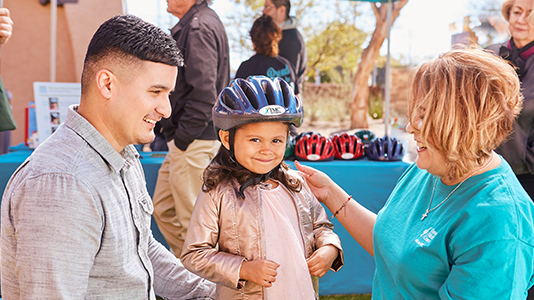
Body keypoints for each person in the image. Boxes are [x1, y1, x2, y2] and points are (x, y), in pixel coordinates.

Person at [0, 14, 215, 299]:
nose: (166, 110)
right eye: (155, 92)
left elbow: (142, 250)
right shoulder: (63, 183)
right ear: (107, 84)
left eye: (169, 94)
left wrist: (211, 293)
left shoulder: (123, 152)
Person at [295, 48, 534, 299]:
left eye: (423, 116)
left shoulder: (499, 226)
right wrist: (329, 192)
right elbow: (396, 245)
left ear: (463, 124)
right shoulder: (431, 168)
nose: (410, 127)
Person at [181, 76, 343, 299]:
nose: (267, 150)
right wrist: (243, 269)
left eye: (276, 140)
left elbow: (321, 226)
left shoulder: (297, 184)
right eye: (255, 140)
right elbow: (194, 254)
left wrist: (329, 248)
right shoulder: (217, 191)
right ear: (227, 139)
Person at [153, 0, 230, 257]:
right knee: (162, 208)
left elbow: (205, 93)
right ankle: (190, 275)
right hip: (188, 139)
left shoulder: (198, 27)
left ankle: (205, 289)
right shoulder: (196, 23)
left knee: (194, 226)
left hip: (194, 139)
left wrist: (183, 137)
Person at [486, 0, 534, 202]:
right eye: (516, 12)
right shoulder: (488, 55)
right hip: (486, 170)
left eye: (531, 14)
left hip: (528, 176)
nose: (521, 20)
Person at [235, 15, 298, 95]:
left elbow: (237, 102)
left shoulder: (247, 68)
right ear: (277, 37)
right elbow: (298, 101)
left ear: (253, 39)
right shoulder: (287, 65)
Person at [263, 0, 306, 94]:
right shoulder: (279, 35)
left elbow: (289, 80)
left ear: (282, 10)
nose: (263, 11)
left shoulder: (291, 39)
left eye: (268, 7)